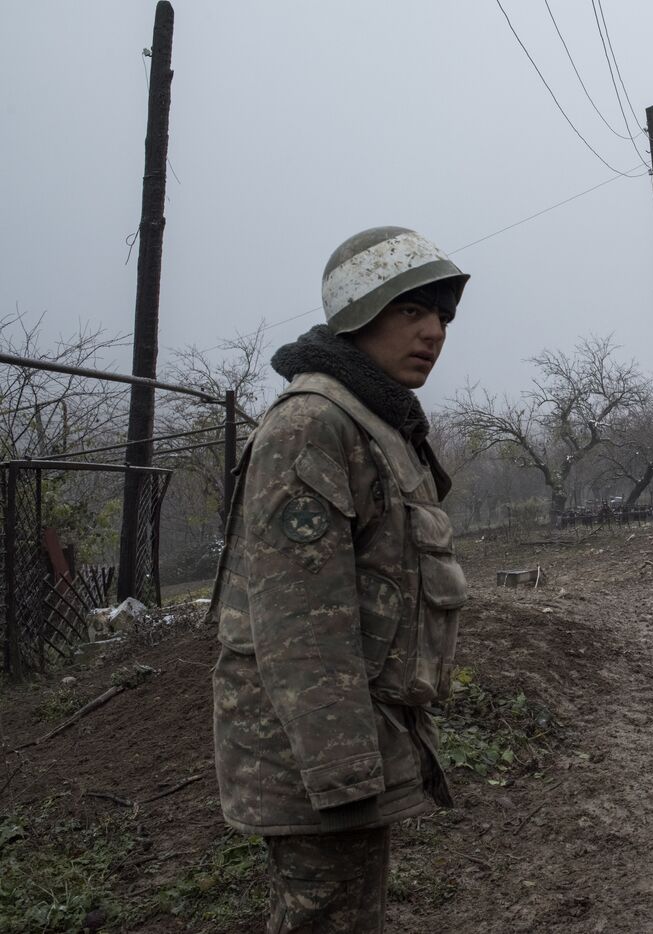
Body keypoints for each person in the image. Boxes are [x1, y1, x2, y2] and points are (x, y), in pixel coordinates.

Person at [208, 226, 472, 932]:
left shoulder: (374, 421)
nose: (434, 331)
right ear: (359, 312)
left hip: (352, 741)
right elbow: (302, 626)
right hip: (315, 755)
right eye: (411, 310)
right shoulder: (313, 426)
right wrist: (347, 779)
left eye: (442, 314)